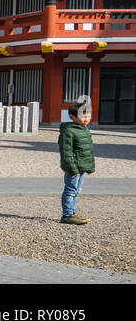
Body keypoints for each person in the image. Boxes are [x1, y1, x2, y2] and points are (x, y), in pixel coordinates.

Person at [59, 96, 95, 225]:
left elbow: (88, 151)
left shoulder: (84, 130)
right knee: (70, 190)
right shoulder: (69, 131)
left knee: (77, 190)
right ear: (72, 117)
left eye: (88, 116)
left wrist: (90, 167)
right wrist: (72, 168)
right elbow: (66, 152)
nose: (86, 119)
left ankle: (72, 213)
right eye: (83, 116)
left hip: (82, 166)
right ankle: (67, 215)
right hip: (73, 167)